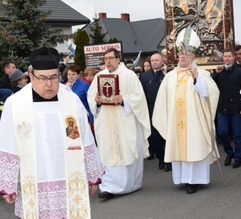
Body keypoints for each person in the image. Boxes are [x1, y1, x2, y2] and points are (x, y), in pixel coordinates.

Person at [0, 47, 104, 219]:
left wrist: (92, 174)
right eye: (42, 78)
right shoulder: (15, 104)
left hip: (67, 177)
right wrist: (8, 184)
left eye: (53, 77)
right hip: (34, 180)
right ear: (30, 74)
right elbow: (6, 142)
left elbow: (84, 136)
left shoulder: (70, 99)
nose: (49, 84)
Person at [152, 27, 220, 194]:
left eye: (186, 54)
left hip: (194, 123)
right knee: (179, 147)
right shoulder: (170, 76)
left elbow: (210, 94)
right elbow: (163, 100)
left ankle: (194, 181)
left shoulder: (201, 73)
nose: (183, 56)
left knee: (194, 147)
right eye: (181, 54)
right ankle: (183, 179)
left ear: (193, 57)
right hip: (176, 123)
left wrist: (196, 76)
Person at [88, 48, 151, 199]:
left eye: (110, 58)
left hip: (124, 120)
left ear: (118, 59)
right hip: (105, 120)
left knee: (125, 148)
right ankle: (108, 187)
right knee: (108, 151)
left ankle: (130, 184)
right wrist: (95, 101)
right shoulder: (99, 76)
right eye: (105, 58)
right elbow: (91, 97)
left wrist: (123, 100)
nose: (107, 61)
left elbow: (139, 98)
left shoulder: (129, 75)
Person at [212, 49, 241, 169]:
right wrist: (215, 73)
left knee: (237, 134)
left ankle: (237, 157)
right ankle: (229, 153)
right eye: (225, 56)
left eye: (229, 56)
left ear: (233, 58)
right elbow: (212, 86)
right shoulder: (219, 71)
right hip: (222, 108)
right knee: (222, 132)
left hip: (237, 108)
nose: (227, 58)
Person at [140, 52, 167, 170]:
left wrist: (165, 75)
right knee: (154, 137)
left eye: (157, 60)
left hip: (165, 109)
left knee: (166, 136)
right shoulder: (145, 76)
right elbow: (141, 93)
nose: (154, 62)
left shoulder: (168, 74)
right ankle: (161, 158)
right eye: (152, 60)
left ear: (162, 62)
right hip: (151, 109)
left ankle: (169, 160)